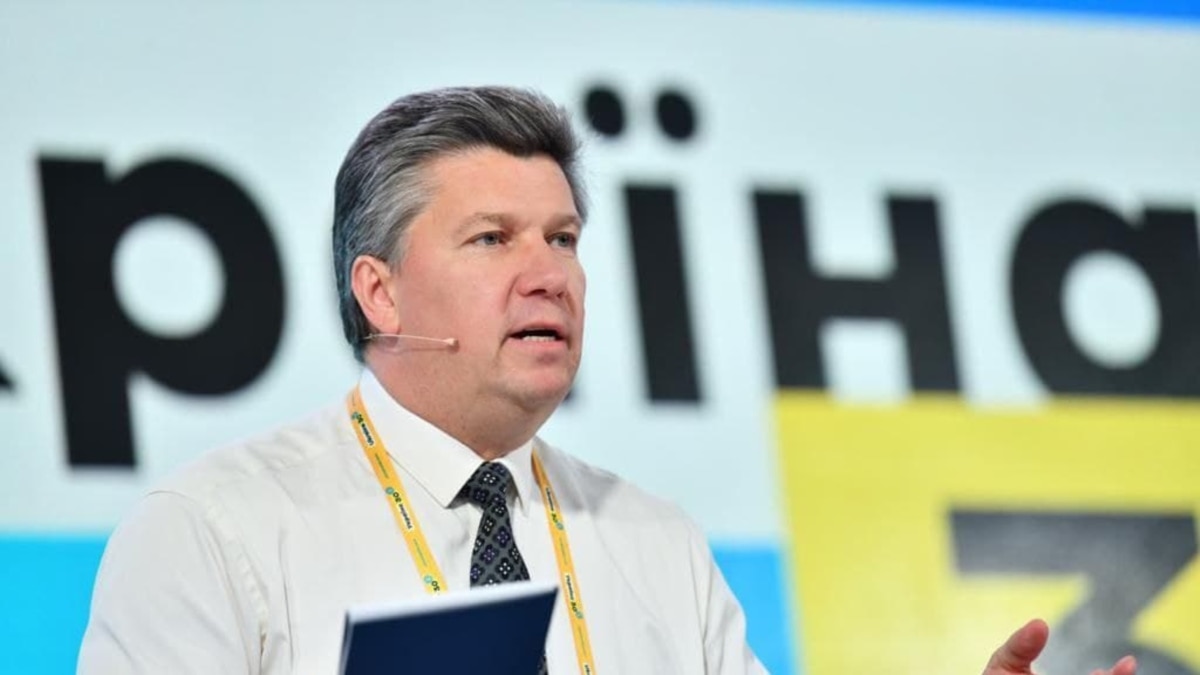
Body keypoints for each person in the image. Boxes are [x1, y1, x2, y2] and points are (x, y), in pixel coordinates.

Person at [77, 86, 1136, 675]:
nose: (549, 274)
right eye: (492, 238)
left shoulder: (655, 544)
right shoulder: (214, 533)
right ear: (381, 293)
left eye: (564, 238)